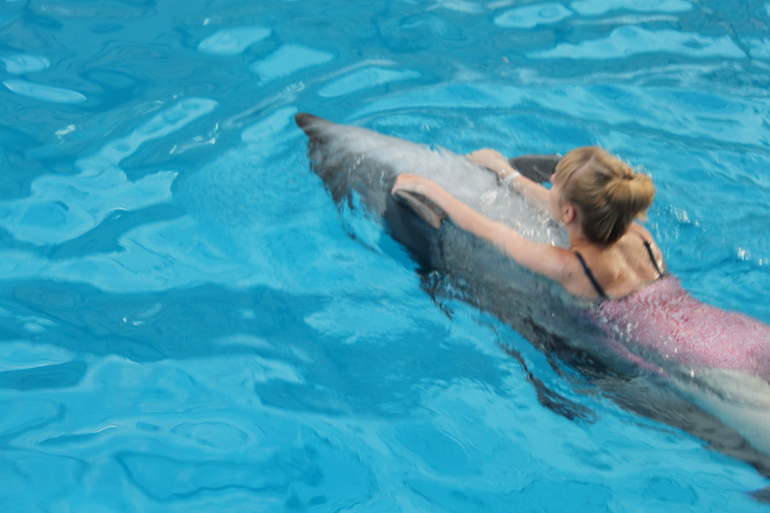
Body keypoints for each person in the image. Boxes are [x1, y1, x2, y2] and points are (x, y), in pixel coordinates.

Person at [391, 146, 770, 380]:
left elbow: (492, 232)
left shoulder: (570, 266)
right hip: (737, 331)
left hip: (693, 354)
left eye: (554, 182)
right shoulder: (639, 234)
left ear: (570, 213)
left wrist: (430, 188)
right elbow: (558, 206)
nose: (549, 181)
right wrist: (506, 172)